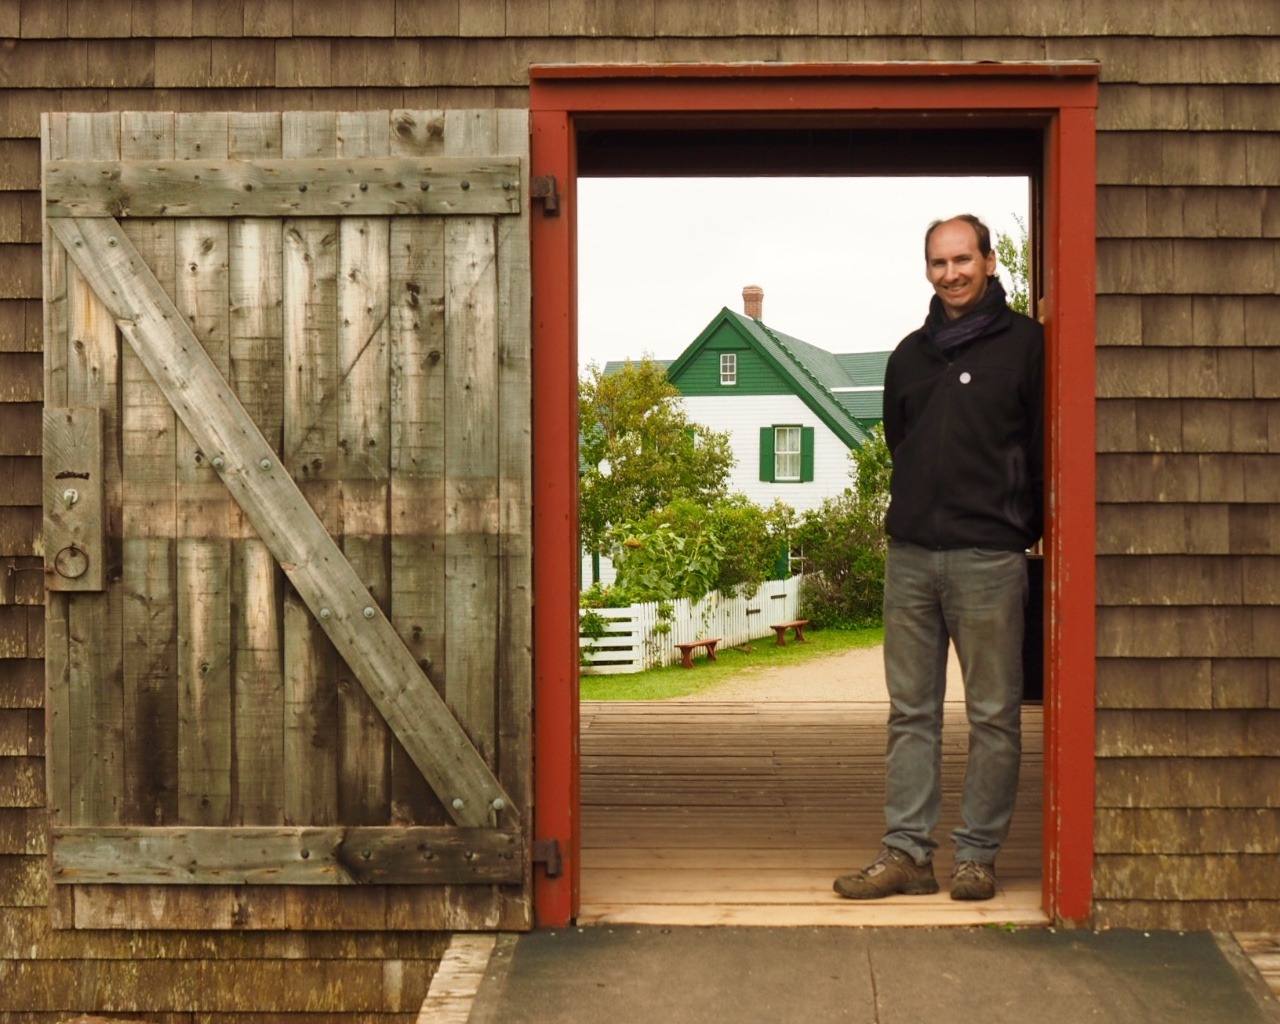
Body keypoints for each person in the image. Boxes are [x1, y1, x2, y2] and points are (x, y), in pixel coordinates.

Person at [834, 214, 1043, 902]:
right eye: (937, 262)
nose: (950, 273)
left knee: (993, 714)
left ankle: (977, 856)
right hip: (913, 557)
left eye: (962, 259)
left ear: (987, 261)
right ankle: (908, 855)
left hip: (990, 558)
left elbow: (1046, 447)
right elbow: (903, 441)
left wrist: (1021, 523)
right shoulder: (909, 357)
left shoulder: (1027, 347)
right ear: (928, 270)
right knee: (911, 713)